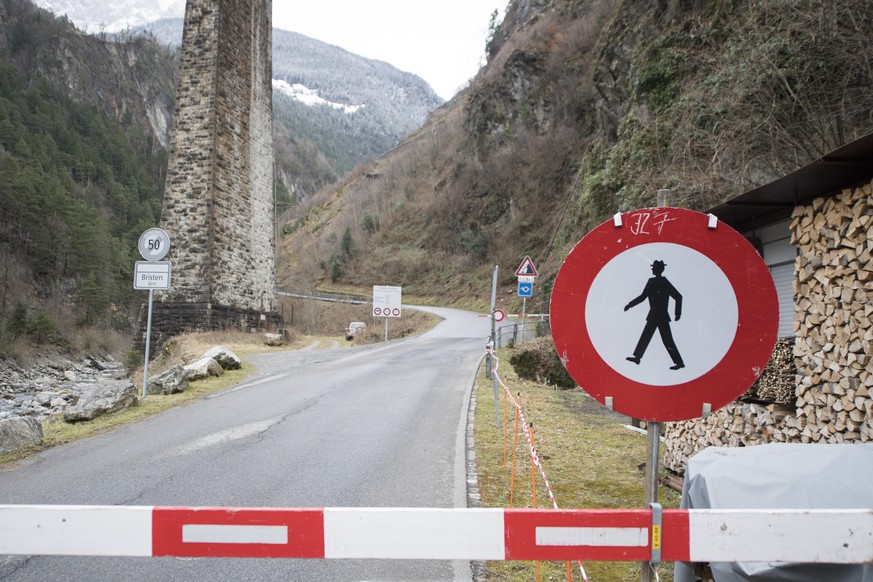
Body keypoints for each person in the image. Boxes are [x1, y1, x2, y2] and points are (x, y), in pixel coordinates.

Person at [624, 260, 685, 370]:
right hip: (653, 315)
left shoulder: (664, 282)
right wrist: (630, 305)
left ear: (659, 269)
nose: (652, 270)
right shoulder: (651, 281)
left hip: (661, 316)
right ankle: (637, 357)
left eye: (654, 268)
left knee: (667, 340)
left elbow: (678, 296)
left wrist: (677, 313)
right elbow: (642, 297)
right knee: (645, 336)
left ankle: (679, 363)